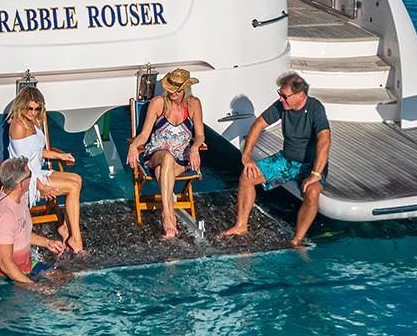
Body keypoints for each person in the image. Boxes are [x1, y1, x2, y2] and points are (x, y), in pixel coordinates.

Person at [221, 71, 331, 247]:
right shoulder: (281, 106)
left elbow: (324, 140)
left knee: (312, 192)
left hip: (311, 165)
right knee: (247, 176)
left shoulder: (315, 108)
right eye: (280, 94)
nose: (281, 99)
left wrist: (316, 174)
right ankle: (241, 225)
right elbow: (258, 125)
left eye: (284, 96)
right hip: (286, 160)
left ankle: (297, 239)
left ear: (300, 95)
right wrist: (247, 155)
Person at [125, 67, 206, 239]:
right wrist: (133, 146)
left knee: (163, 171)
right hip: (157, 153)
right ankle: (168, 217)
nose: (172, 92)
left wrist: (195, 148)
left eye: (177, 89)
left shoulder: (193, 104)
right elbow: (144, 135)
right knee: (167, 158)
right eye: (170, 88)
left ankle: (168, 216)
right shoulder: (158, 103)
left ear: (185, 89)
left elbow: (200, 135)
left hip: (181, 157)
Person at [6, 86, 86, 253]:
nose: (33, 112)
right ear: (21, 105)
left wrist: (60, 156)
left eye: (37, 109)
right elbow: (22, 165)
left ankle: (66, 228)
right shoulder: (18, 125)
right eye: (29, 108)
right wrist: (41, 187)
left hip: (37, 172)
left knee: (77, 179)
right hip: (25, 180)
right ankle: (76, 239)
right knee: (72, 187)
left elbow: (36, 152)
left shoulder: (34, 122)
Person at [0, 156, 66, 285]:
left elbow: (20, 233)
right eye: (30, 175)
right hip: (4, 277)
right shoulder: (4, 217)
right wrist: (33, 286)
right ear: (22, 184)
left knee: (65, 279)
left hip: (27, 266)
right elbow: (5, 263)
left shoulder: (18, 196)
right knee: (51, 294)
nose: (32, 178)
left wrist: (47, 243)